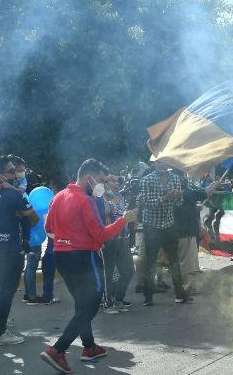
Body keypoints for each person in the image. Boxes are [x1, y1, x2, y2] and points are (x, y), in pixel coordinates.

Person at [40, 159, 138, 373]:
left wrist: (67, 238)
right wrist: (124, 220)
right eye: (101, 180)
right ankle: (58, 349)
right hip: (84, 257)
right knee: (91, 305)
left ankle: (89, 346)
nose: (102, 185)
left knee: (81, 303)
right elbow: (101, 235)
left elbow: (49, 227)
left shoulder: (58, 196)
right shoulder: (85, 201)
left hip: (61, 256)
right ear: (89, 178)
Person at [0, 155, 39, 346]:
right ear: (0, 175)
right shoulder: (14, 195)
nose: (16, 174)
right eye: (12, 171)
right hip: (9, 248)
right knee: (6, 290)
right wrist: (18, 206)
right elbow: (34, 219)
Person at [137, 161, 190, 305]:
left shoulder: (175, 178)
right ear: (154, 164)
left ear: (168, 163)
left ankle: (179, 294)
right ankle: (148, 297)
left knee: (174, 261)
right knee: (151, 262)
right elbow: (147, 203)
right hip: (151, 225)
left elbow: (178, 203)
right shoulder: (146, 180)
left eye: (163, 162)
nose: (161, 165)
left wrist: (177, 195)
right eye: (158, 162)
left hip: (168, 224)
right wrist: (165, 198)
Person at [96, 174, 135, 314]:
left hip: (123, 239)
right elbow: (97, 219)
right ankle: (108, 303)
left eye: (117, 181)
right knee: (108, 272)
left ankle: (118, 298)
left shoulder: (119, 198)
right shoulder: (99, 196)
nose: (116, 183)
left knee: (129, 270)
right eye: (112, 181)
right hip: (108, 239)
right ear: (105, 183)